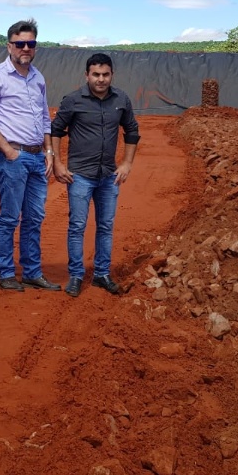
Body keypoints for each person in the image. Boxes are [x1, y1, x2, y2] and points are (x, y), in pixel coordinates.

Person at [0, 19, 60, 292]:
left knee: (35, 217)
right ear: (9, 45)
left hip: (37, 157)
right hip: (13, 157)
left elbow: (45, 118)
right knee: (10, 217)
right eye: (20, 43)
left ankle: (32, 272)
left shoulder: (38, 77)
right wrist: (9, 152)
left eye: (31, 43)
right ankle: (6, 273)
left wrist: (48, 151)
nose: (25, 48)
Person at [51, 53, 139, 297]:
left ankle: (102, 274)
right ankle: (76, 275)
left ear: (112, 75)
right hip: (80, 175)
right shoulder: (73, 100)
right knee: (77, 226)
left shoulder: (121, 99)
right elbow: (56, 130)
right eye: (96, 75)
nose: (101, 79)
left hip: (108, 176)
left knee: (106, 226)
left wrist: (127, 163)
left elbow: (131, 130)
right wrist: (58, 162)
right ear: (86, 75)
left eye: (106, 75)